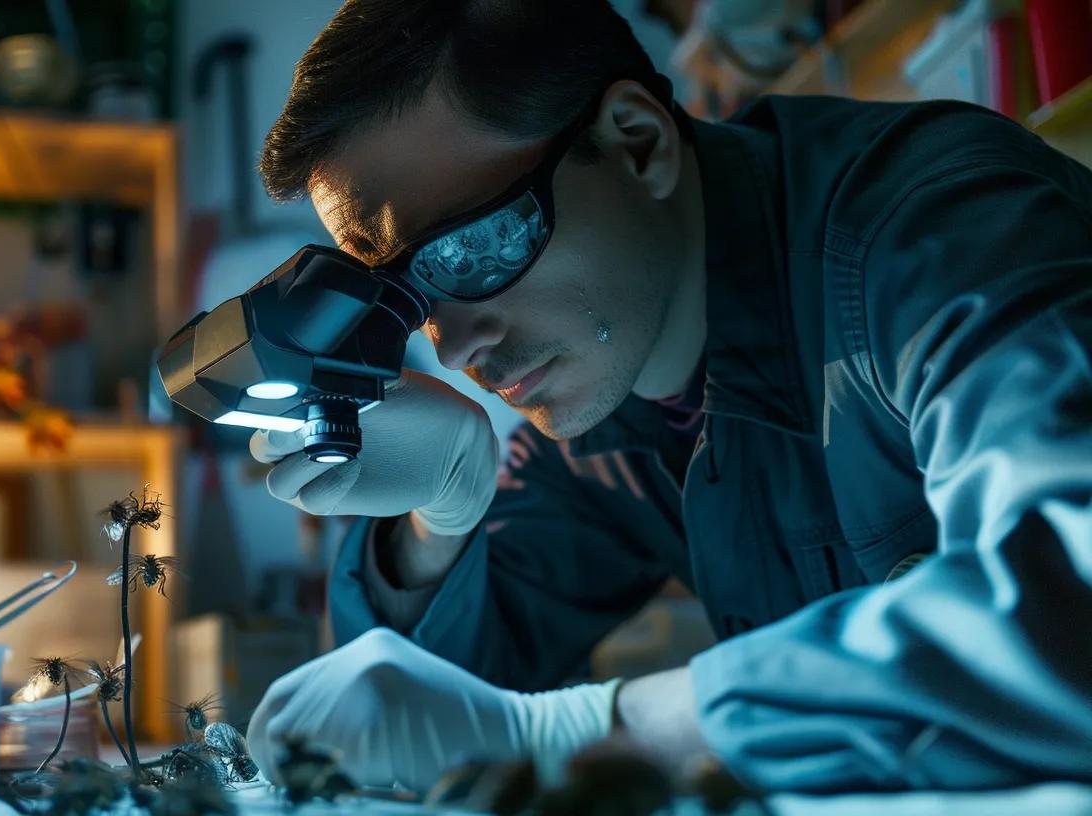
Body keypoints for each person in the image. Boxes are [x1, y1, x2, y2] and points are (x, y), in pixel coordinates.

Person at [240, 0, 1092, 795]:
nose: (454, 347)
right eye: (412, 302)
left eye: (468, 253)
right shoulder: (604, 421)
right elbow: (401, 729)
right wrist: (439, 521)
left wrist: (605, 727)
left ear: (637, 141)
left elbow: (1069, 613)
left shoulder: (931, 235)